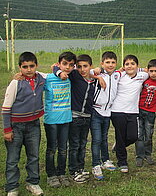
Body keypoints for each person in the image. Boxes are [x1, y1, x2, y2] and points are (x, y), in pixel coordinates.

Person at [2, 52, 45, 196]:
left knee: (33, 156)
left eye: (31, 66)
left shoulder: (40, 78)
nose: (28, 69)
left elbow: (56, 71)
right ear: (20, 67)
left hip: (33, 125)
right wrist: (7, 129)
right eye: (25, 67)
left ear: (36, 66)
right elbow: (6, 108)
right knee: (13, 159)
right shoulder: (16, 83)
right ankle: (12, 187)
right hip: (16, 126)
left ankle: (32, 182)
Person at [54, 54, 99, 183]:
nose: (82, 69)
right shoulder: (74, 76)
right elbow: (55, 67)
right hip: (74, 117)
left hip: (87, 117)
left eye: (85, 66)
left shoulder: (93, 81)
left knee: (83, 144)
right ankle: (73, 170)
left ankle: (81, 167)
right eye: (79, 67)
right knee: (74, 145)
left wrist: (98, 75)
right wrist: (58, 73)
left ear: (90, 66)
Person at [110, 55, 149, 173]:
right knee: (120, 136)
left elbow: (155, 73)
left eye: (133, 63)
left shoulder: (143, 75)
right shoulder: (119, 75)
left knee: (133, 136)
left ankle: (118, 147)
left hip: (133, 112)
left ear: (137, 66)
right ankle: (122, 162)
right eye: (127, 64)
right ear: (123, 66)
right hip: (117, 111)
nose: (130, 66)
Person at [44, 51, 76, 188]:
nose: (67, 67)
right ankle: (51, 175)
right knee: (52, 149)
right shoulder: (48, 79)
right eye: (64, 64)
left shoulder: (72, 77)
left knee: (63, 148)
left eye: (71, 65)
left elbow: (90, 70)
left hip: (66, 119)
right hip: (51, 121)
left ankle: (61, 173)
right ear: (58, 64)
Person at [91, 51, 121, 180]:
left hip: (108, 112)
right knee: (96, 139)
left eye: (113, 62)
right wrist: (97, 75)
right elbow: (86, 72)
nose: (110, 65)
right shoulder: (97, 73)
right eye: (107, 62)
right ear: (102, 63)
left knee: (104, 138)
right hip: (96, 111)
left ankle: (105, 160)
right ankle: (95, 164)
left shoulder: (117, 75)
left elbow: (130, 69)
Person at [135, 59, 156, 167]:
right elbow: (134, 71)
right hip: (139, 110)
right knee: (139, 135)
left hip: (151, 113)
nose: (153, 73)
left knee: (148, 135)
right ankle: (139, 156)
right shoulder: (144, 80)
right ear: (148, 71)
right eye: (151, 71)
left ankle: (148, 154)